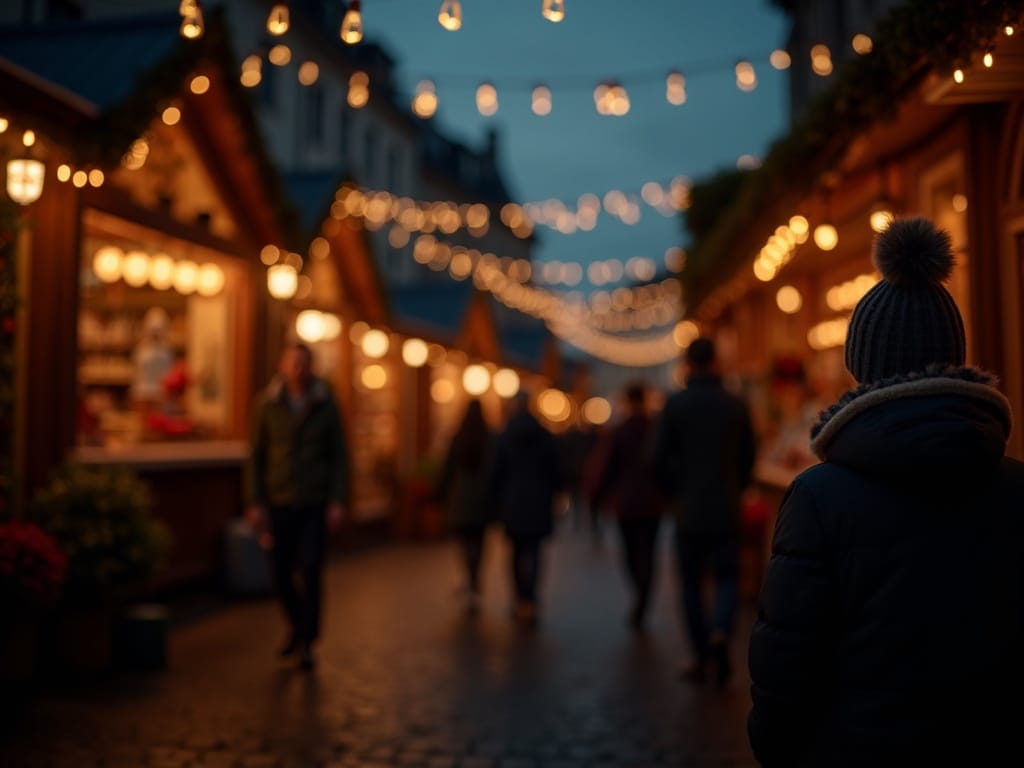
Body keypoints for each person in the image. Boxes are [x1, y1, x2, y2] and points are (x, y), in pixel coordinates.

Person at [747, 217, 1024, 767]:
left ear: (861, 367)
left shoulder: (818, 497)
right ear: (954, 354)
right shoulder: (1017, 486)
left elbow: (787, 664)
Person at [652, 336, 756, 687]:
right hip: (726, 507)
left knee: (692, 583)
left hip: (689, 510)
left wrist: (675, 491)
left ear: (688, 364)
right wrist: (735, 487)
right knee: (727, 577)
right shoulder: (734, 404)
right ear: (715, 362)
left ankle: (699, 654)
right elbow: (747, 458)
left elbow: (656, 459)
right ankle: (721, 631)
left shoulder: (676, 404)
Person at [246, 343, 349, 671]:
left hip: (313, 502)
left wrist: (337, 499)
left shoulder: (325, 404)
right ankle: (297, 625)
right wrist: (254, 501)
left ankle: (307, 640)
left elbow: (339, 457)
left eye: (302, 364)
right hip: (279, 500)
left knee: (311, 568)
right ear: (282, 365)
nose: (297, 370)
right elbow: (256, 456)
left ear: (310, 367)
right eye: (292, 363)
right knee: (279, 572)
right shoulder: (267, 405)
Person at [587, 382, 665, 630]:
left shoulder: (620, 431)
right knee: (648, 553)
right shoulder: (655, 429)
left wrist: (596, 497)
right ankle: (644, 596)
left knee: (631, 553)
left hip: (627, 503)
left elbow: (608, 466)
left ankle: (640, 595)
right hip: (652, 503)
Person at [489, 391, 562, 628]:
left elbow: (496, 473)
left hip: (513, 501)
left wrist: (496, 501)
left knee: (515, 552)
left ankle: (519, 599)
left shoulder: (505, 436)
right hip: (539, 501)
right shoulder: (544, 435)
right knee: (535, 552)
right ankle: (531, 599)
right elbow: (555, 471)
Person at [435, 398, 494, 614]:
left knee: (463, 542)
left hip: (460, 499)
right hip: (481, 499)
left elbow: (447, 469)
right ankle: (474, 580)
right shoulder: (489, 438)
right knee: (478, 542)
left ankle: (469, 581)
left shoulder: (458, 438)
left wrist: (440, 494)